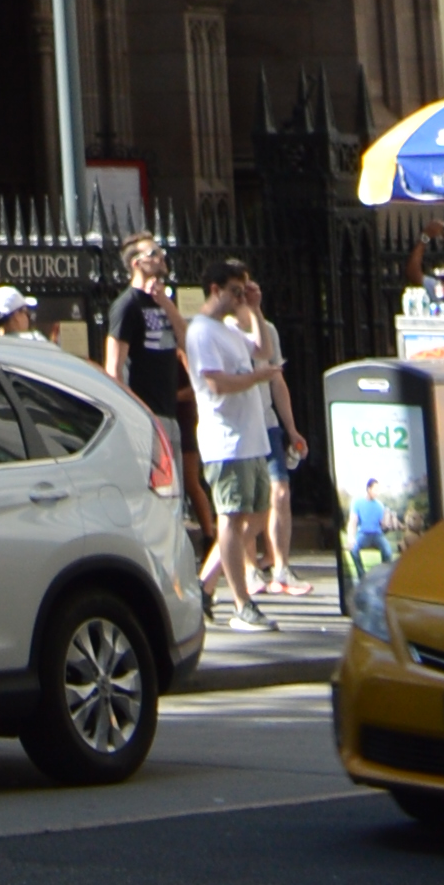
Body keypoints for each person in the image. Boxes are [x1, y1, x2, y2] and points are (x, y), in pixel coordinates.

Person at [186, 260, 301, 622]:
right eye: (235, 291)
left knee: (260, 514)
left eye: (243, 290)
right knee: (233, 520)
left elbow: (262, 349)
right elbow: (216, 384)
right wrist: (256, 378)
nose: (239, 297)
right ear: (215, 290)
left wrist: (254, 307)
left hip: (251, 439)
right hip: (226, 440)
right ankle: (241, 604)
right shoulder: (202, 331)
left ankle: (202, 584)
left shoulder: (230, 329)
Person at [108, 234, 215, 554]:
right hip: (146, 414)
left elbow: (187, 345)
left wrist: (167, 303)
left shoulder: (161, 302)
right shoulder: (126, 305)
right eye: (154, 253)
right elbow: (113, 368)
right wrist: (134, 415)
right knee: (156, 496)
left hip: (169, 413)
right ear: (137, 263)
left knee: (174, 495)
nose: (162, 257)